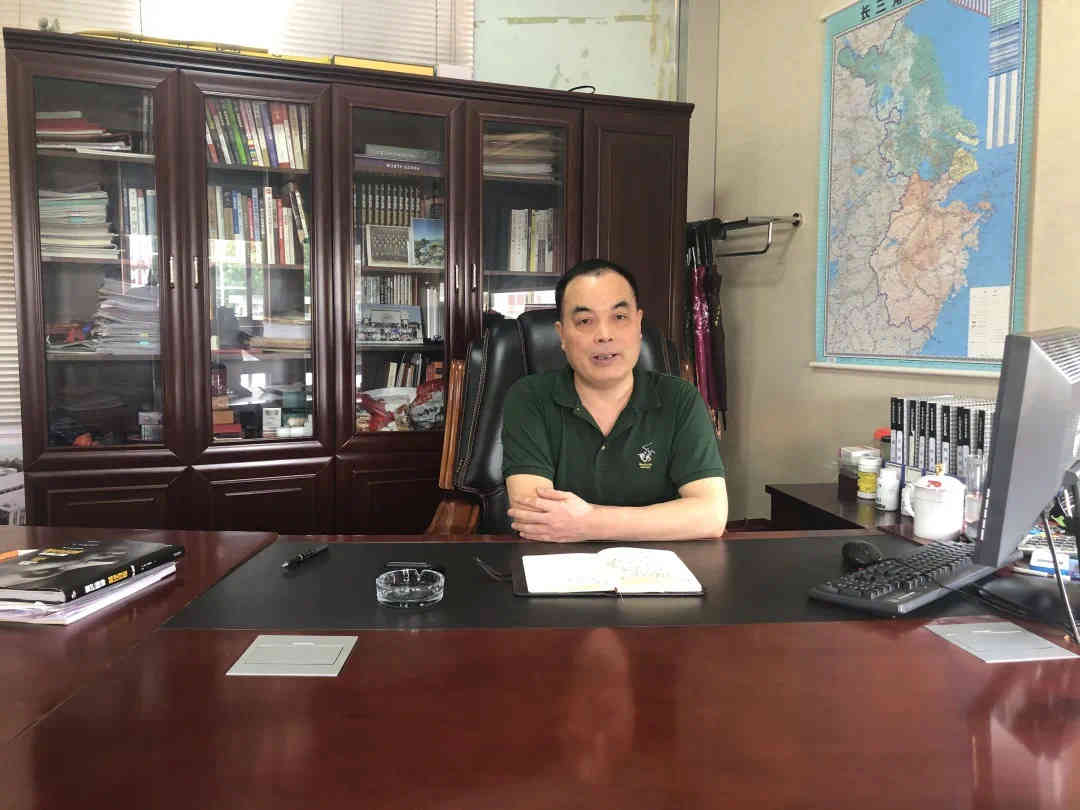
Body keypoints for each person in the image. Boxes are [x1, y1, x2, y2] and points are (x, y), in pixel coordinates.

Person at [502, 259, 728, 542]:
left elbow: (711, 515)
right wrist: (660, 521)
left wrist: (588, 522)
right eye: (585, 321)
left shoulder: (680, 399)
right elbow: (535, 518)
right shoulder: (529, 398)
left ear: (638, 325)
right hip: (558, 562)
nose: (604, 335)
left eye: (619, 317)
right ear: (561, 335)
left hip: (659, 565)